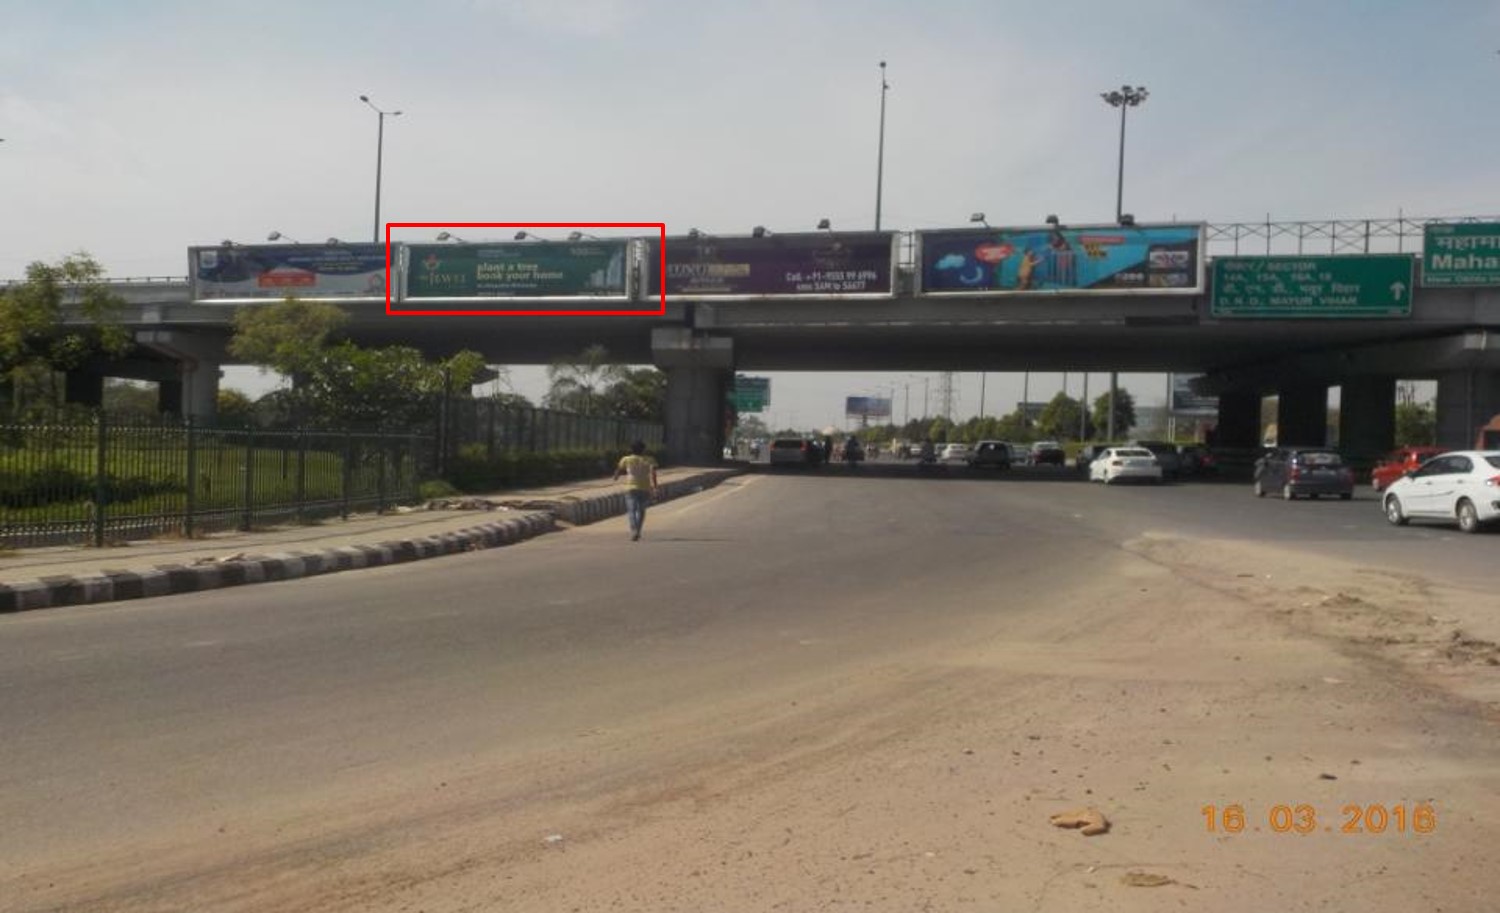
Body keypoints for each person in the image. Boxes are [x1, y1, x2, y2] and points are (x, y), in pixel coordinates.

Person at [613, 440, 659, 541]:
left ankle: (634, 531)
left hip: (630, 488)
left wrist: (616, 476)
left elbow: (619, 469)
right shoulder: (650, 459)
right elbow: (653, 473)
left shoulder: (626, 459)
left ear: (631, 449)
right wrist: (655, 487)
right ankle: (638, 530)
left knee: (631, 510)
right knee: (641, 511)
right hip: (645, 488)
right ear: (643, 449)